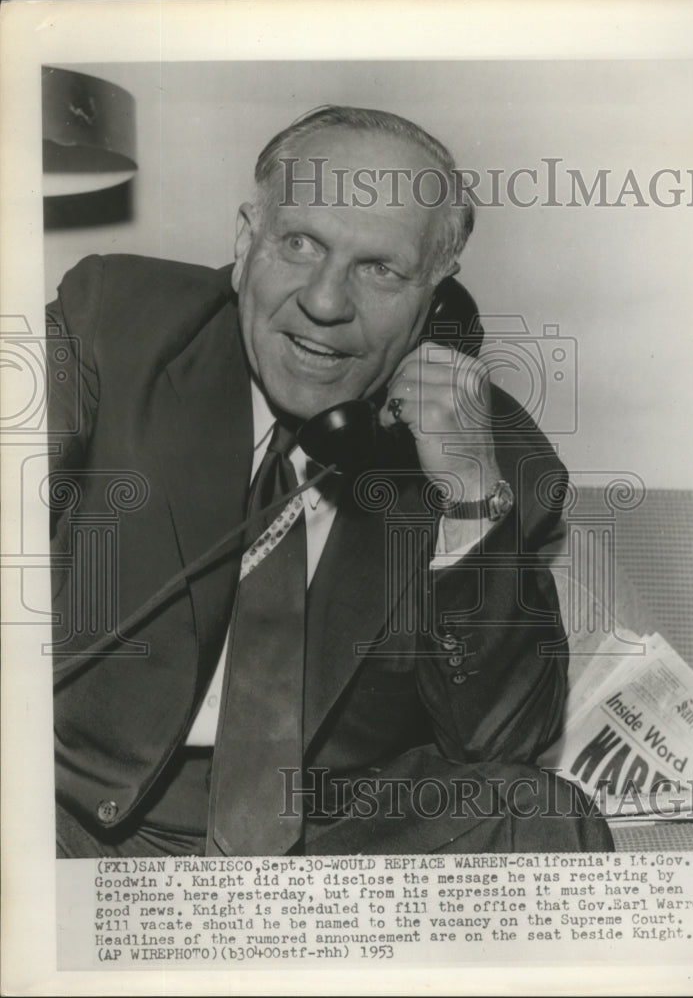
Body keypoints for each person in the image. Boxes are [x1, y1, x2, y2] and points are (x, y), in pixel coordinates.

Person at [47, 105, 612, 857]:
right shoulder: (111, 326)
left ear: (435, 294)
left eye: (380, 269)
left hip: (329, 836)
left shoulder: (504, 460)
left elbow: (502, 742)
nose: (324, 302)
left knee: (539, 815)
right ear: (247, 241)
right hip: (74, 813)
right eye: (300, 244)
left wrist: (470, 500)